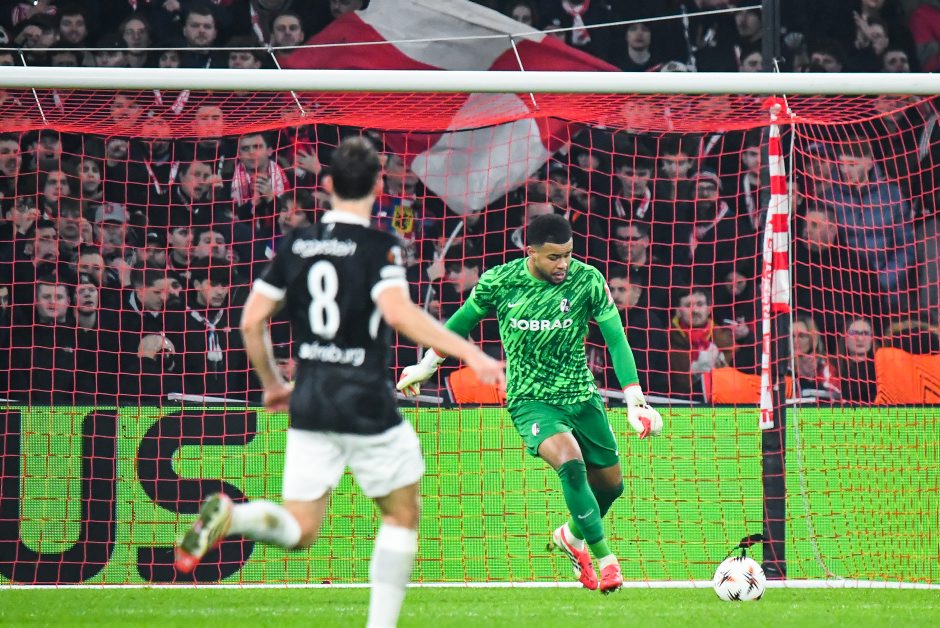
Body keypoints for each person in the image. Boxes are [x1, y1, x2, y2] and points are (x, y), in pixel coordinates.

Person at [174, 137, 504, 628]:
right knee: (401, 515)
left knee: (300, 529)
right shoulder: (379, 246)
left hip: (311, 401)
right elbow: (399, 314)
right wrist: (471, 351)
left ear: (326, 184)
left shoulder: (296, 244)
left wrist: (272, 384)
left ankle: (234, 516)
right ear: (379, 186)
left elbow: (251, 321)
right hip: (366, 401)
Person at [396, 212, 664, 594]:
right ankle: (606, 560)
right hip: (531, 400)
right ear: (531, 252)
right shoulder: (501, 281)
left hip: (582, 396)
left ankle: (570, 537)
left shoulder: (587, 280)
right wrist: (426, 365)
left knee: (610, 486)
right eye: (554, 257)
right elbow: (461, 322)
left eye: (568, 254)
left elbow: (616, 339)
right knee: (571, 463)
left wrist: (635, 400)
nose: (563, 264)